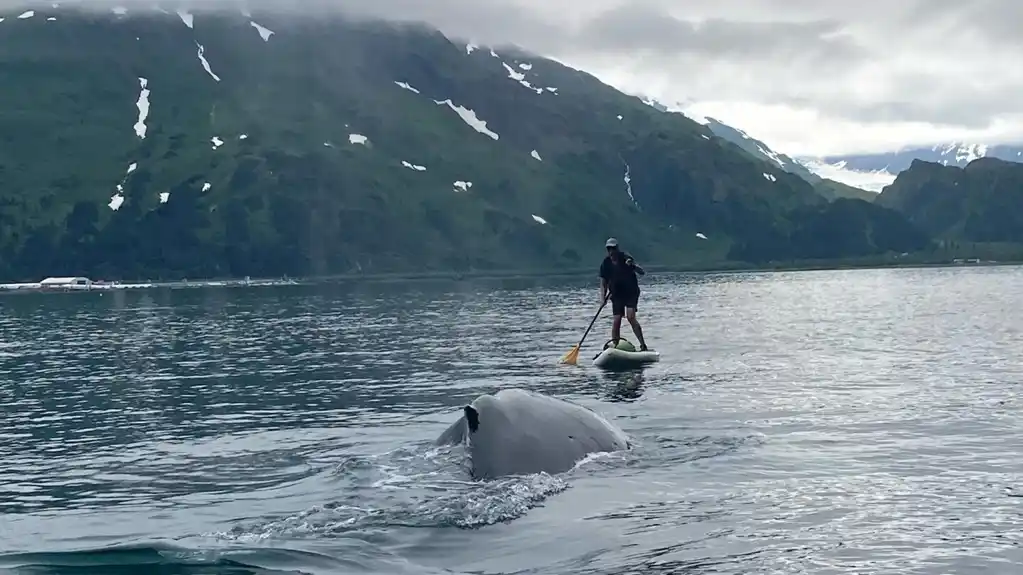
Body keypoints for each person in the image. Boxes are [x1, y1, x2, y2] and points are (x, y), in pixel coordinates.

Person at [598, 237, 648, 351]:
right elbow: (603, 283)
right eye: (609, 249)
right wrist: (602, 299)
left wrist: (632, 266)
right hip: (616, 294)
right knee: (617, 319)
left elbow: (642, 272)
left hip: (631, 292)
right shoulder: (605, 264)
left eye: (613, 248)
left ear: (617, 249)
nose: (611, 251)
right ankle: (616, 346)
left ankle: (643, 345)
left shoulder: (626, 257)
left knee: (630, 317)